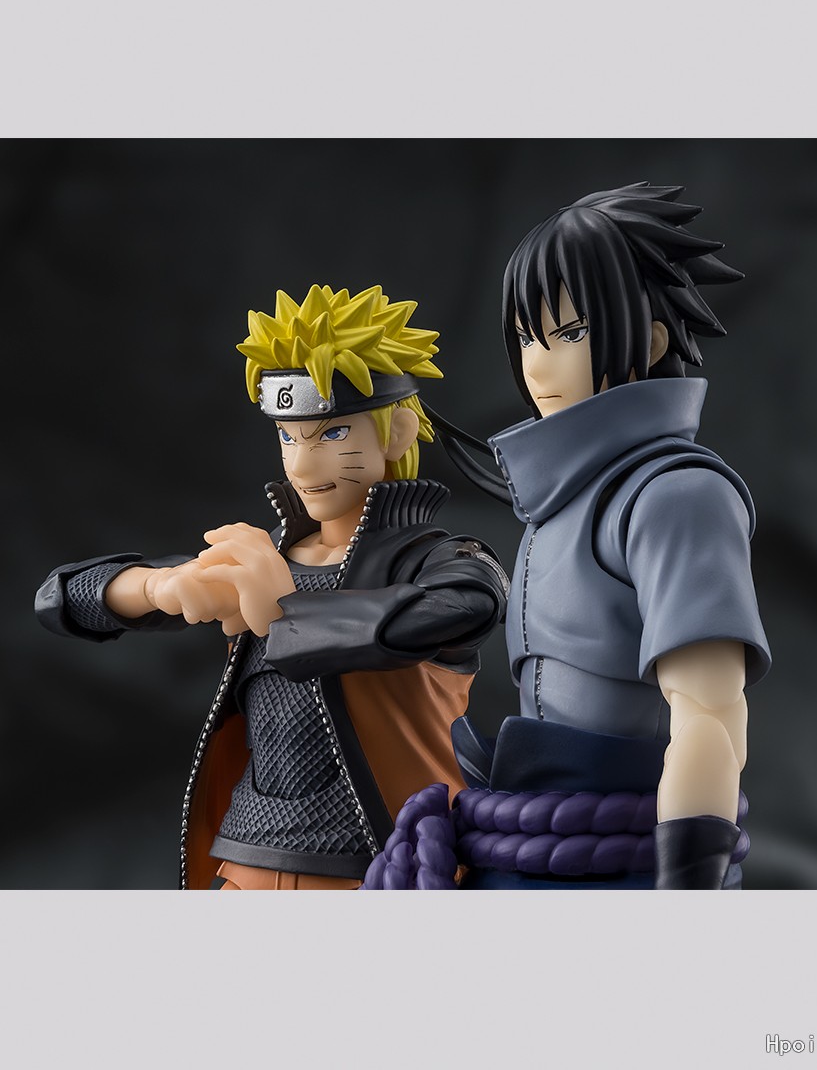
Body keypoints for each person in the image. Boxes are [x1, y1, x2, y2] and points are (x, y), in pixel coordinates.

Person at [365, 184, 771, 890]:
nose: (538, 364)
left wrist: (689, 878)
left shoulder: (676, 496)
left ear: (650, 339)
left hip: (619, 859)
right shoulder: (560, 499)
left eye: (571, 333)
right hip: (527, 832)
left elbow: (710, 708)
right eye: (527, 337)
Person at [35, 283, 507, 890]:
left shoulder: (440, 561)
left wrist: (284, 611)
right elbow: (59, 599)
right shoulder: (266, 557)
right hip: (250, 853)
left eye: (332, 434)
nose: (301, 465)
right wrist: (159, 587)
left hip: (382, 861)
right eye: (288, 435)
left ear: (396, 432)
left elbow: (465, 606)